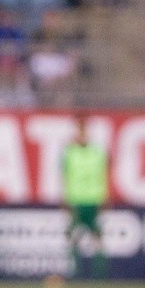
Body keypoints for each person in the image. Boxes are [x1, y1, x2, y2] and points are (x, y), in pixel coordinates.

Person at [62, 119, 108, 278]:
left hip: (94, 199)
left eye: (84, 132)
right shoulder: (70, 152)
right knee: (73, 237)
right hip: (76, 200)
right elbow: (66, 177)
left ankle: (100, 276)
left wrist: (105, 197)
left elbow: (103, 175)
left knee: (98, 238)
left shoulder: (97, 152)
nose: (82, 135)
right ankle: (75, 274)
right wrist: (66, 200)